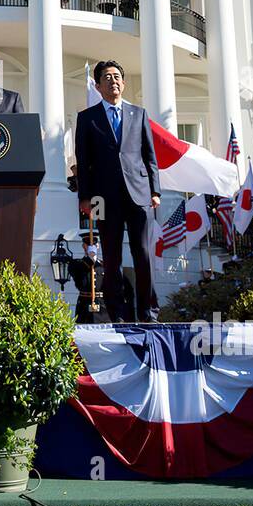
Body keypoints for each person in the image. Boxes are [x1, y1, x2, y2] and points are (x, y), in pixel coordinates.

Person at [74, 59, 161, 322]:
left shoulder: (139, 114)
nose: (113, 81)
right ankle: (117, 315)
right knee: (112, 257)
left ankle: (149, 314)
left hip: (140, 193)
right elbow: (84, 160)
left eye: (117, 77)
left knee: (143, 254)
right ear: (98, 85)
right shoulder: (87, 118)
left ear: (123, 83)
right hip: (103, 197)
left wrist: (154, 191)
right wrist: (85, 197)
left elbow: (150, 156)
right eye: (107, 77)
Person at [69, 231, 112, 324]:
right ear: (83, 246)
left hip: (103, 308)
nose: (91, 246)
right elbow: (80, 283)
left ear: (98, 246)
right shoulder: (76, 264)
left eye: (94, 243)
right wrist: (90, 259)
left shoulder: (104, 265)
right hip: (84, 307)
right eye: (88, 244)